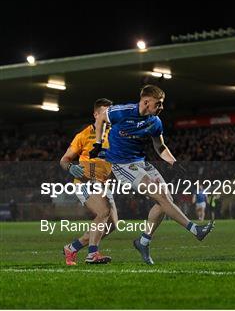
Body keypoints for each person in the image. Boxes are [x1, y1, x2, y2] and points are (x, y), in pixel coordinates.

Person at [89, 85, 214, 265]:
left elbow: (160, 147)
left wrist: (174, 162)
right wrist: (98, 144)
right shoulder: (123, 112)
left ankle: (144, 241)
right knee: (162, 196)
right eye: (159, 103)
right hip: (122, 164)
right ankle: (195, 229)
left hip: (141, 163)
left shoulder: (155, 121)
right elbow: (101, 117)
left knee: (165, 200)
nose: (162, 107)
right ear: (146, 102)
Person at [60, 98, 118, 265]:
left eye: (110, 113)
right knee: (103, 212)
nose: (108, 116)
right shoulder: (84, 135)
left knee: (112, 225)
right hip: (86, 181)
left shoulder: (115, 134)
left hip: (103, 184)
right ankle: (93, 254)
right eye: (105, 112)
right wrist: (70, 167)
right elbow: (64, 159)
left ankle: (71, 248)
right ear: (96, 114)